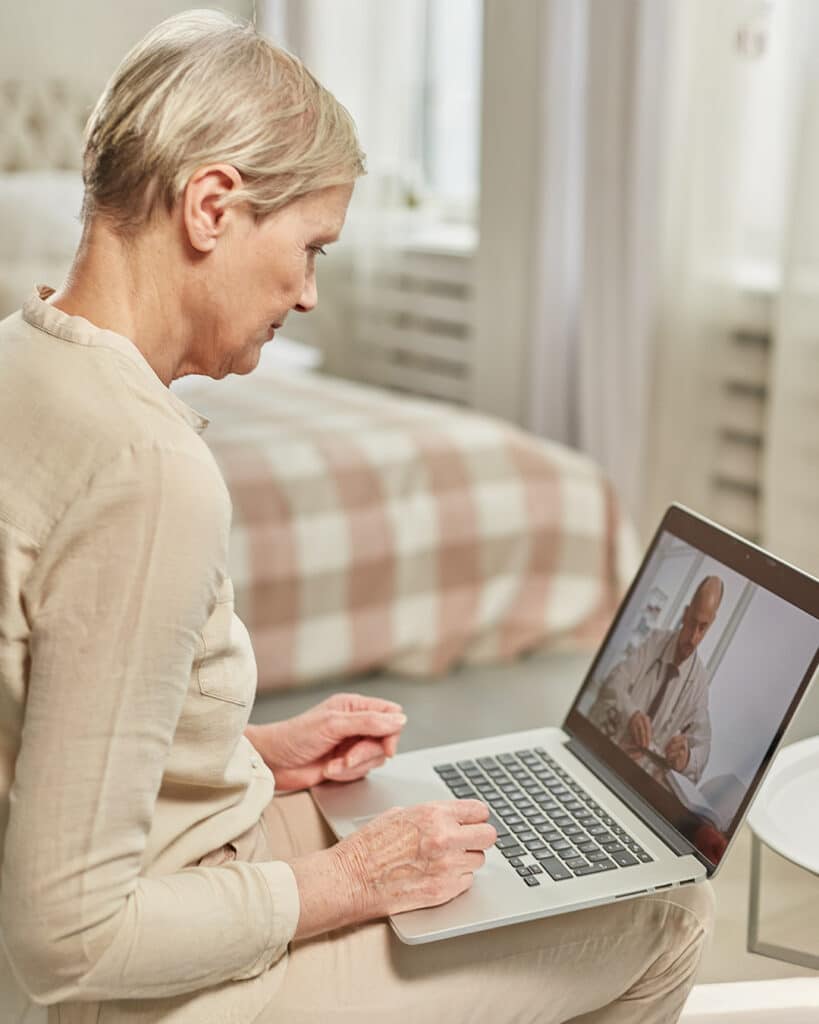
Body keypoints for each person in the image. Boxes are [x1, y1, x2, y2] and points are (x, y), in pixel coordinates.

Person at [0, 11, 713, 1023]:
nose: (309, 296)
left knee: (493, 843)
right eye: (310, 247)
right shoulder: (148, 469)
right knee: (666, 912)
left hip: (180, 855)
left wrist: (249, 751)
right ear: (212, 205)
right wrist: (357, 883)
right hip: (133, 985)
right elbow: (64, 936)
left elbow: (54, 726)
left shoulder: (21, 362)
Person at [589, 576, 725, 787]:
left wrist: (687, 758)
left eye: (703, 628)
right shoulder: (654, 641)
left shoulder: (699, 683)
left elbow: (703, 752)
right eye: (692, 623)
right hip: (610, 755)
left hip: (642, 784)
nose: (694, 638)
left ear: (711, 624)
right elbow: (615, 681)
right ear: (685, 613)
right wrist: (631, 713)